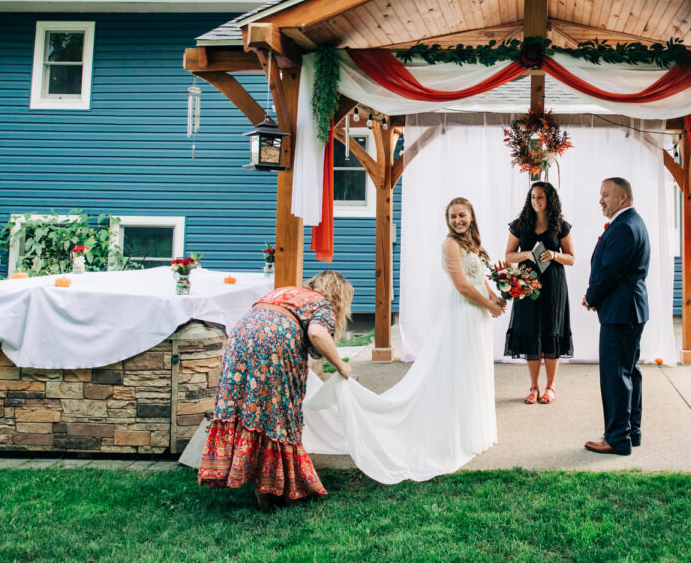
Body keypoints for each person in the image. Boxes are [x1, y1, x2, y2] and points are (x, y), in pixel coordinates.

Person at [302, 197, 506, 484]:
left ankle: (475, 429)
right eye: (452, 217)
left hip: (478, 314)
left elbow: (478, 277)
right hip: (464, 312)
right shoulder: (450, 244)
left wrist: (494, 295)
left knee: (474, 371)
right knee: (461, 371)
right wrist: (488, 305)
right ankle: (456, 432)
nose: (457, 221)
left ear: (471, 216)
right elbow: (461, 286)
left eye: (462, 215)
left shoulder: (473, 242)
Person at [198, 270, 354, 507]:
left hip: (240, 340)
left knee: (244, 408)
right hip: (274, 347)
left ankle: (241, 474)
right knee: (276, 414)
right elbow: (316, 333)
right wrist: (341, 365)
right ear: (338, 295)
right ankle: (270, 490)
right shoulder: (321, 304)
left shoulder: (286, 292)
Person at [582, 177, 650, 456]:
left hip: (621, 312)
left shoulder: (624, 227)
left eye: (606, 195)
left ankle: (617, 439)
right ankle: (630, 432)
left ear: (622, 198)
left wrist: (592, 296)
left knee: (615, 376)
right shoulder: (632, 222)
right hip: (628, 310)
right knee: (628, 372)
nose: (601, 200)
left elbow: (609, 270)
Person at [503, 182, 575, 404]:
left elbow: (571, 258)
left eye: (541, 197)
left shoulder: (560, 226)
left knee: (552, 333)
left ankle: (550, 387)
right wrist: (527, 255)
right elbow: (508, 256)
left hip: (553, 287)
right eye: (533, 197)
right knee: (531, 332)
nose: (536, 201)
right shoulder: (519, 225)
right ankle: (533, 387)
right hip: (527, 286)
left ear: (549, 199)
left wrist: (554, 254)